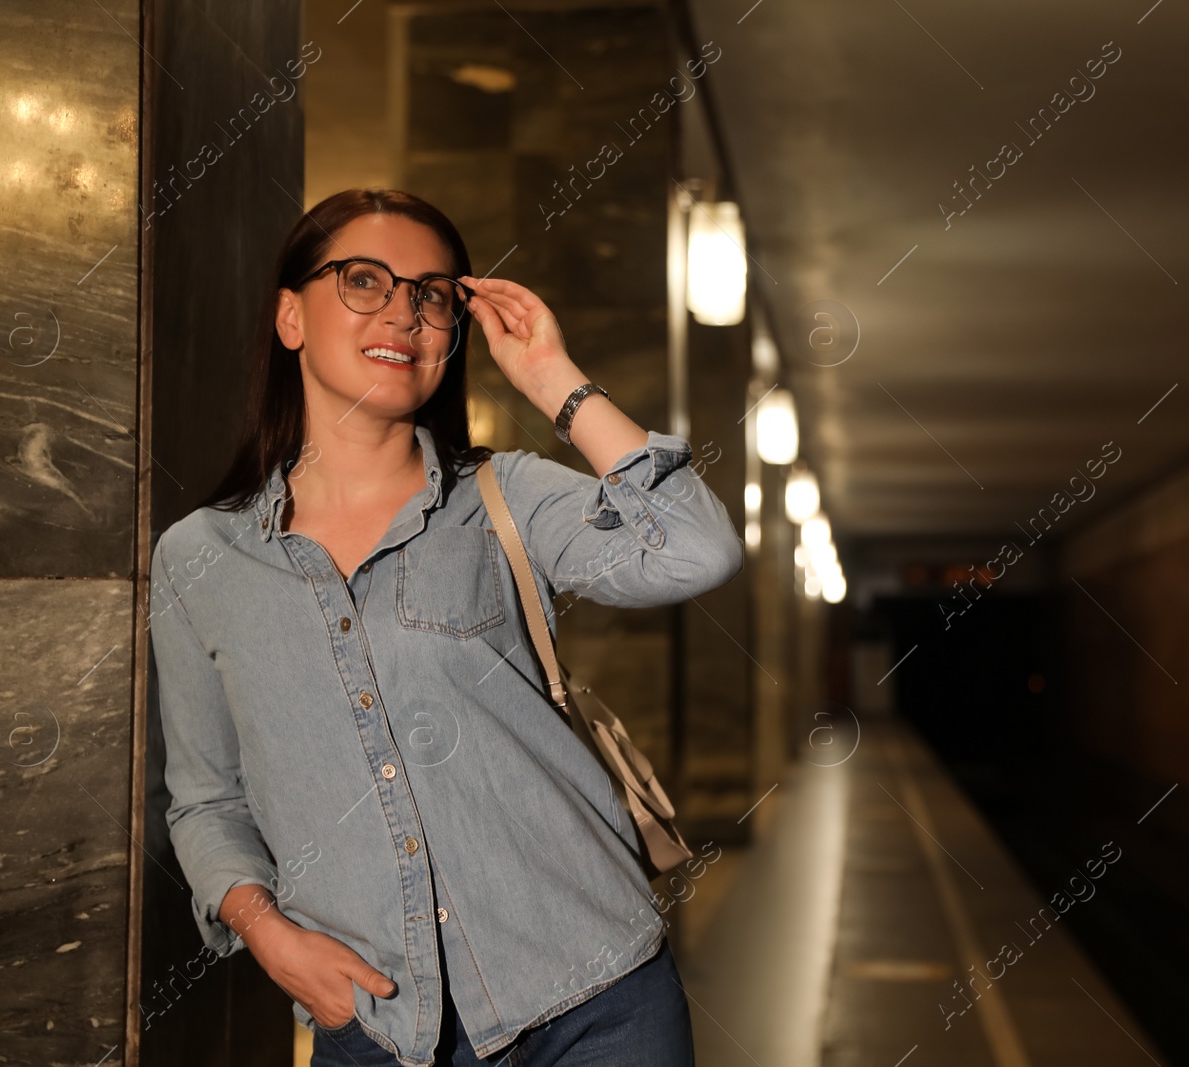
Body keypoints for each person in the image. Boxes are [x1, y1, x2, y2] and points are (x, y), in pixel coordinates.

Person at [148, 188, 744, 1066]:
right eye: (363, 280)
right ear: (290, 317)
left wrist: (554, 381)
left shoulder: (508, 496)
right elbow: (205, 798)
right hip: (377, 1025)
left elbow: (697, 551)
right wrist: (266, 933)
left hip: (595, 999)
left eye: (430, 294)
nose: (403, 311)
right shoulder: (200, 556)